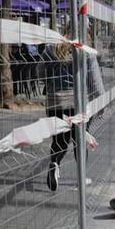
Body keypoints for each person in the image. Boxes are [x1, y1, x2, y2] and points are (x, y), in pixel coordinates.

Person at [45, 43, 103, 191]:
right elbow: (95, 79)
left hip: (55, 101)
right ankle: (81, 177)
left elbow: (40, 72)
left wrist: (51, 85)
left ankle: (54, 164)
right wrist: (101, 100)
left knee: (59, 140)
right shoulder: (86, 51)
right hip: (77, 103)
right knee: (79, 140)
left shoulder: (50, 49)